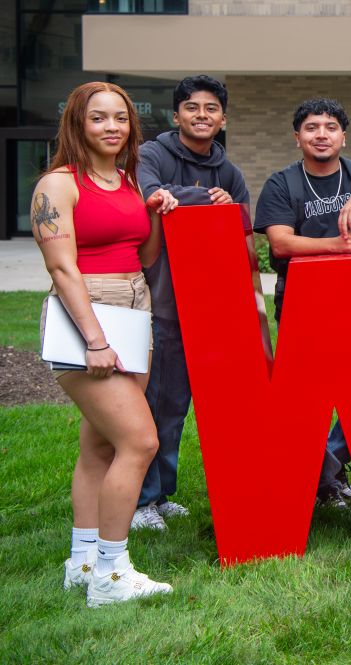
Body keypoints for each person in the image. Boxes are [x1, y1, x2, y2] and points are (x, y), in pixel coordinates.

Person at [32, 81, 177, 606]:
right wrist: (94, 340)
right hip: (87, 314)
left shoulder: (129, 181)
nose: (111, 126)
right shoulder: (57, 184)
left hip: (135, 309)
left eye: (120, 118)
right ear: (78, 124)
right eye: (99, 118)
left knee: (99, 446)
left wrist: (156, 214)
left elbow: (145, 254)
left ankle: (83, 560)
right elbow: (62, 267)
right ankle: (112, 576)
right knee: (140, 442)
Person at [254, 98, 351, 506]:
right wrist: (337, 245)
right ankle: (322, 478)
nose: (321, 134)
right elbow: (280, 242)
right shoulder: (281, 184)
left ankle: (329, 466)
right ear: (297, 138)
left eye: (329, 127)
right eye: (311, 128)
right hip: (300, 303)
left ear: (343, 136)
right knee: (300, 400)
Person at [132, 74, 251, 531]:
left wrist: (221, 206)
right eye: (192, 108)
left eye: (211, 109)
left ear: (223, 118)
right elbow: (152, 197)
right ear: (176, 114)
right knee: (160, 399)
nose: (202, 116)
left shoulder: (229, 170)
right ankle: (144, 499)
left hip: (213, 304)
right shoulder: (154, 154)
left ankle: (162, 493)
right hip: (165, 300)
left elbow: (242, 227)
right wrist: (207, 200)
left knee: (182, 404)